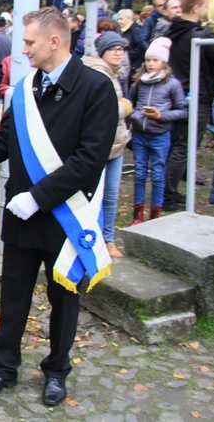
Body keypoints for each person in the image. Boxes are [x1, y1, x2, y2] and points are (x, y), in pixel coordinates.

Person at [0, 8, 117, 406]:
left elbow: (89, 160)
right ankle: (4, 369)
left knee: (64, 300)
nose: (23, 49)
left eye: (30, 42)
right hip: (22, 217)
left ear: (55, 41)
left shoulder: (95, 88)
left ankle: (56, 371)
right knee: (14, 297)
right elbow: (2, 145)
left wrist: (38, 197)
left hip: (63, 216)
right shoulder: (24, 88)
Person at [163, 0, 214, 211]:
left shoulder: (171, 30)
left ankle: (169, 192)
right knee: (184, 148)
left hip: (175, 94)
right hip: (196, 96)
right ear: (196, 8)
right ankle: (168, 196)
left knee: (177, 146)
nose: (207, 11)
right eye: (205, 7)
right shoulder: (201, 35)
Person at [83, 32, 133, 257]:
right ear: (101, 51)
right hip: (100, 146)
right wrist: (126, 106)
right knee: (97, 195)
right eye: (112, 48)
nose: (118, 52)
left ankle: (108, 239)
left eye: (120, 49)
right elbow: (108, 111)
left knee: (111, 195)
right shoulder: (98, 73)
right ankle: (95, 239)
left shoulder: (114, 74)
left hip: (117, 145)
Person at [128, 37, 187, 224]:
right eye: (148, 60)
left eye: (155, 60)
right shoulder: (139, 81)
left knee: (158, 174)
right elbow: (130, 103)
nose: (151, 64)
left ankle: (155, 214)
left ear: (164, 61)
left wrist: (161, 116)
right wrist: (136, 116)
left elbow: (183, 111)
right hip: (139, 134)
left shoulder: (173, 84)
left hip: (160, 135)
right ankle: (137, 213)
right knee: (139, 173)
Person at [117, 9, 147, 77]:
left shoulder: (136, 30)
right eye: (118, 19)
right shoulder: (120, 30)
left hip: (134, 66)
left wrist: (127, 55)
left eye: (121, 19)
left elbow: (140, 47)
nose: (118, 21)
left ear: (129, 19)